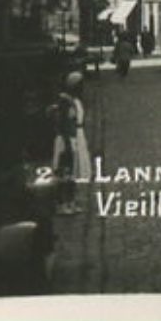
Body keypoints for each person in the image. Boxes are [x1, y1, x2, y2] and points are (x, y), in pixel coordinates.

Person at [50, 72, 91, 215]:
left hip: (77, 136)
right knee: (65, 171)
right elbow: (63, 123)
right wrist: (68, 142)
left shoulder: (75, 100)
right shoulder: (65, 101)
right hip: (67, 138)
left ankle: (71, 202)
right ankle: (62, 203)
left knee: (73, 172)